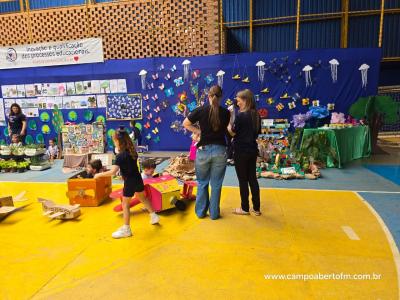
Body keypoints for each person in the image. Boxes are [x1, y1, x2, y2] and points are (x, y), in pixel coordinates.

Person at [95, 127, 159, 238]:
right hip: (137, 178)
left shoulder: (120, 156)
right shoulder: (132, 151)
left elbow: (113, 172)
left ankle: (126, 229)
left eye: (114, 140)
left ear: (118, 141)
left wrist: (99, 174)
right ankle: (154, 216)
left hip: (129, 181)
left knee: (125, 204)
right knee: (143, 198)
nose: (113, 142)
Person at [183, 85, 230, 220]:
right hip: (220, 150)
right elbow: (224, 129)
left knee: (202, 182)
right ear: (220, 97)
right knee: (216, 183)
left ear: (208, 96)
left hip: (203, 151)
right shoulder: (226, 113)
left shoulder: (200, 110)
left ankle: (201, 212)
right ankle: (214, 214)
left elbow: (185, 123)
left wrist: (199, 132)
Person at [228, 89, 261, 216]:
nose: (237, 101)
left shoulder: (242, 115)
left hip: (241, 152)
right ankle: (256, 208)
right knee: (252, 178)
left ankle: (245, 208)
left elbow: (232, 132)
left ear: (245, 100)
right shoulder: (256, 115)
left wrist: (228, 122)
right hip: (252, 150)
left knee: (243, 180)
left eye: (238, 99)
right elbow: (256, 133)